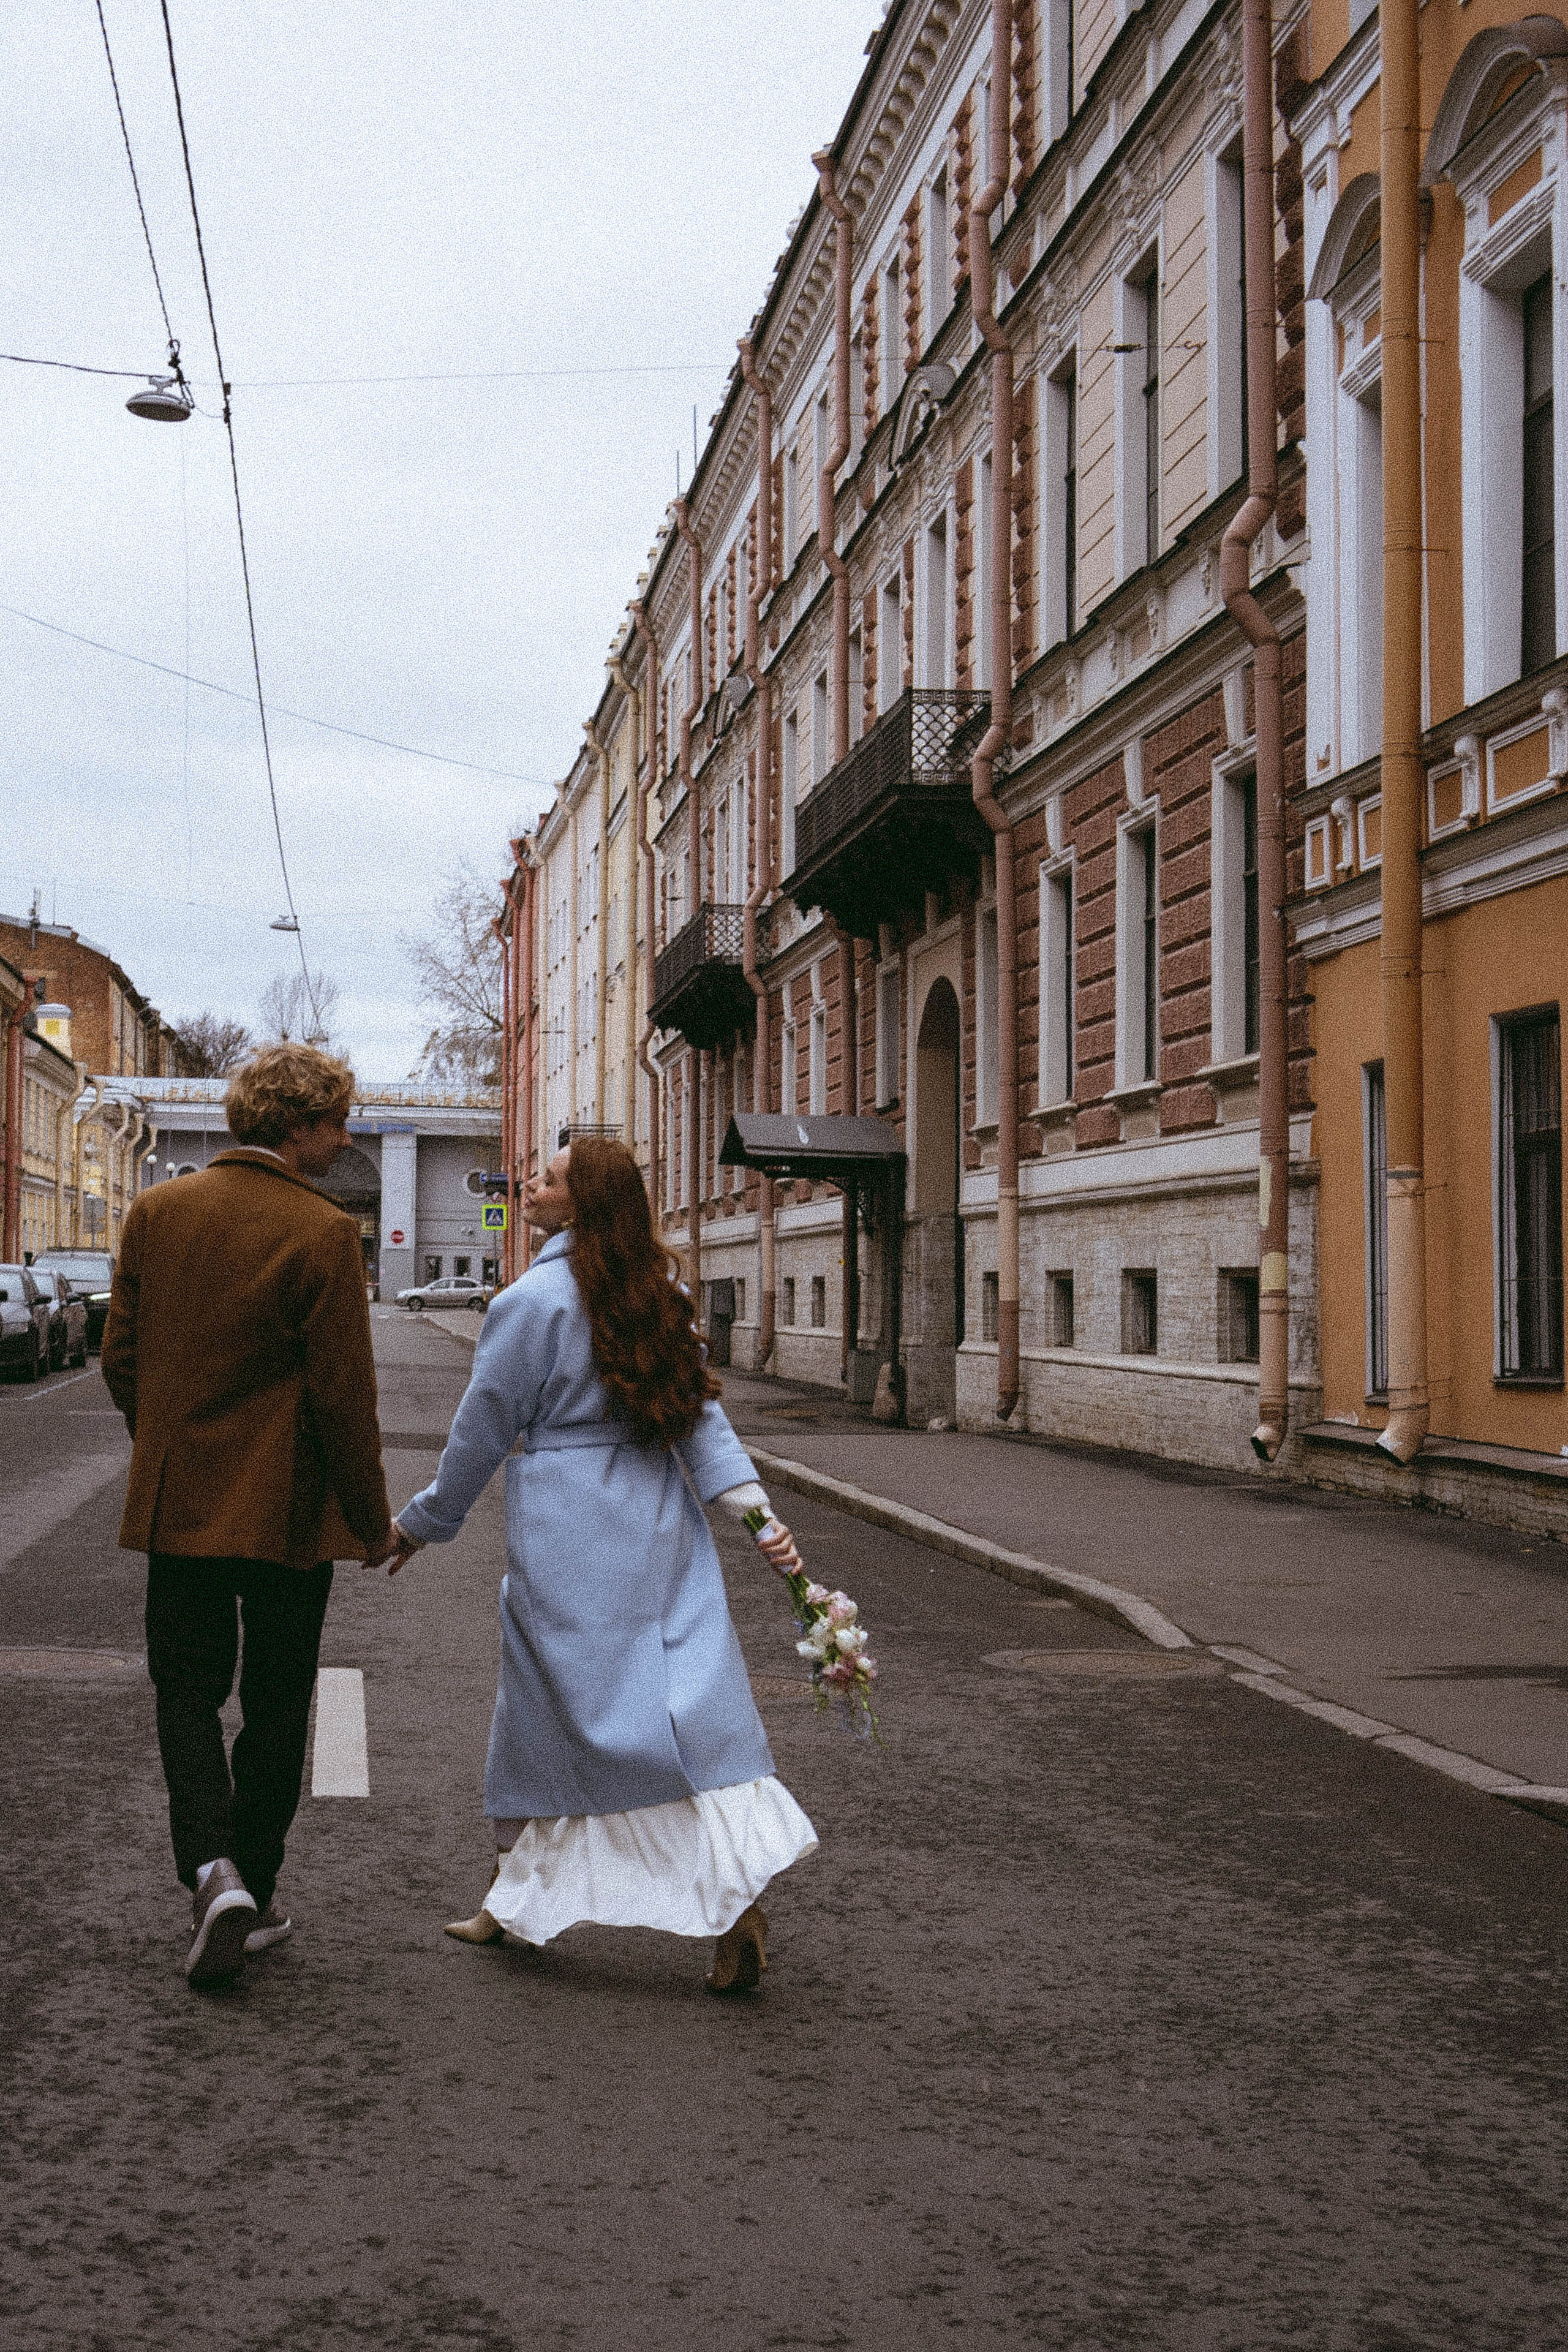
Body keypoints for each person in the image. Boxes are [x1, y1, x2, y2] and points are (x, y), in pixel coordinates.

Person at [390, 1136, 817, 1994]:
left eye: (546, 1181)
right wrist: (758, 1519)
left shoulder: (532, 1301)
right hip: (658, 1518)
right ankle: (552, 1905)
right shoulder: (659, 1290)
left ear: (578, 1204)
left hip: (568, 1526)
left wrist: (423, 1523)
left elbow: (484, 1428)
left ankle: (518, 1900)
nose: (531, 1190)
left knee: (546, 1714)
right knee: (675, 1714)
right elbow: (699, 1417)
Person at [102, 1044, 398, 1989]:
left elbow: (120, 1357)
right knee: (277, 1701)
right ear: (297, 1126)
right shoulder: (319, 1233)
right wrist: (372, 1518)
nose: (345, 1139)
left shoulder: (157, 1211)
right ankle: (254, 1885)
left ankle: (209, 1870)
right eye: (336, 1123)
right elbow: (343, 1398)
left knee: (184, 1690)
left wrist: (169, 1441)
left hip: (181, 1498)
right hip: (287, 1511)